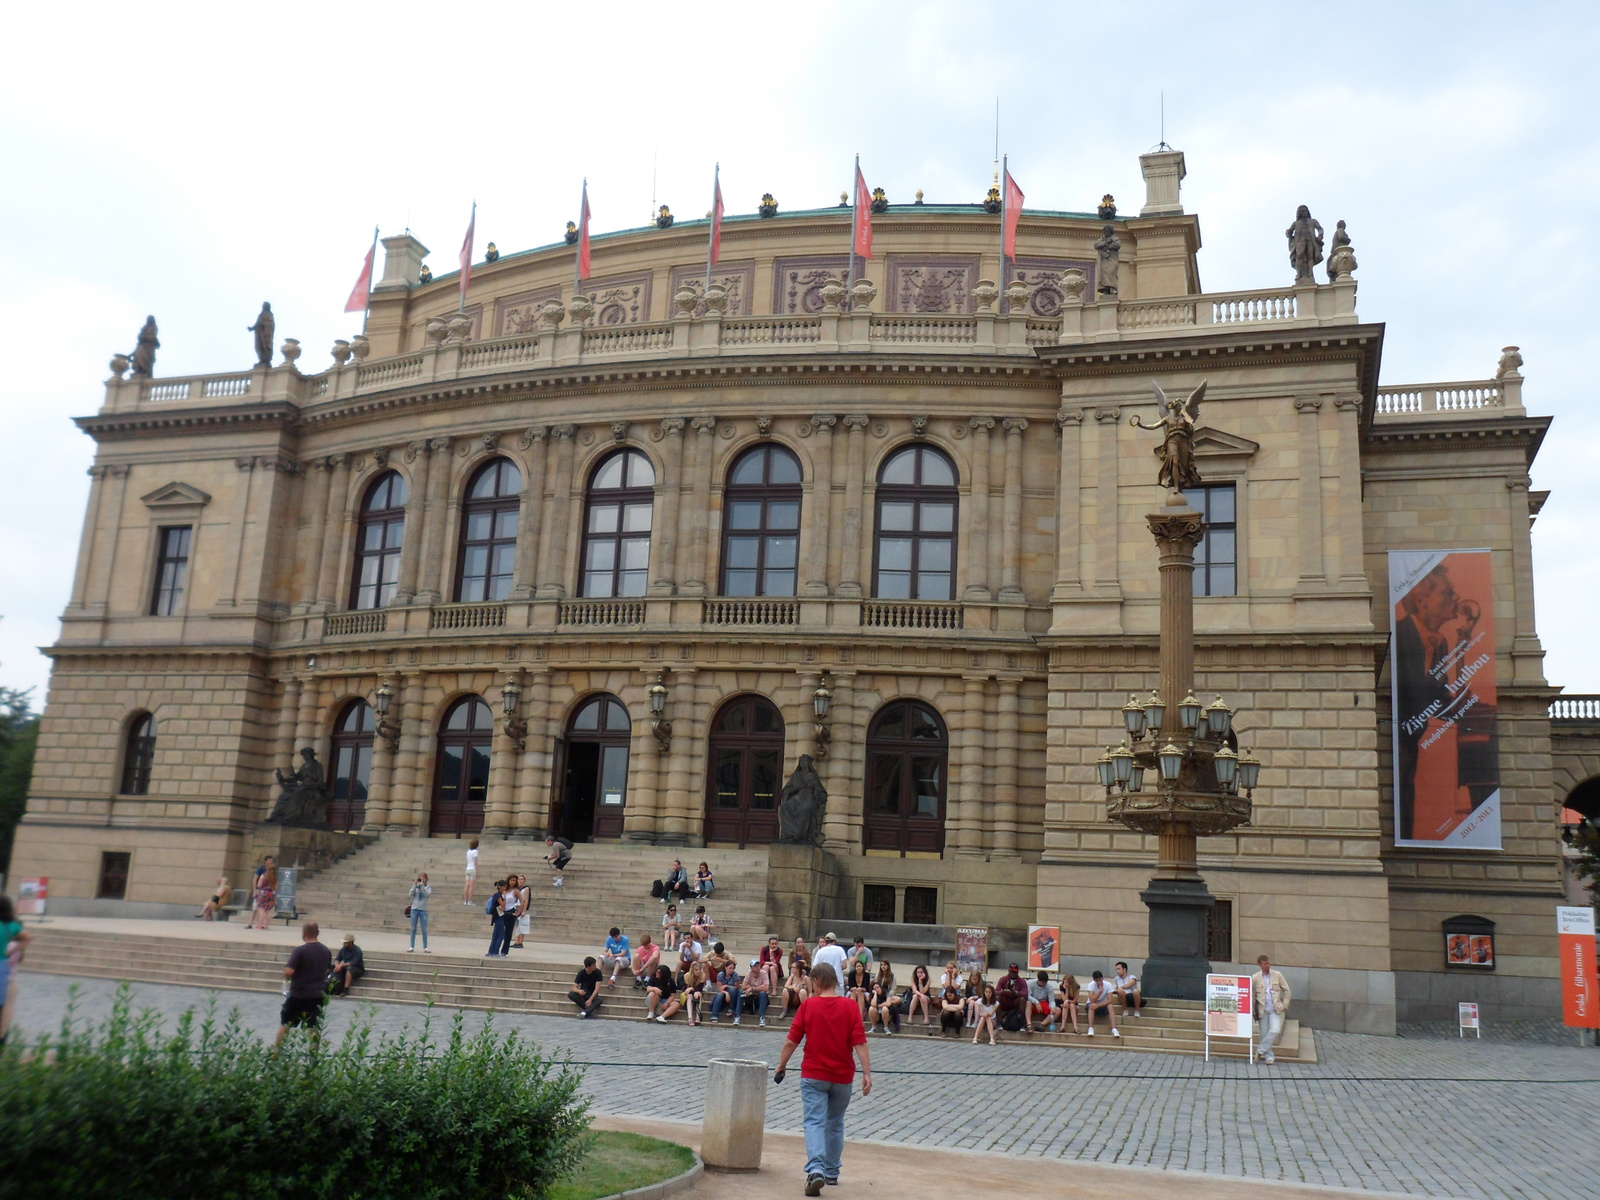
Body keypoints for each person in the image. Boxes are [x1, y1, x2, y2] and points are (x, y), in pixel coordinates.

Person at [773, 963, 872, 1196]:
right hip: (842, 1076)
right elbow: (860, 1043)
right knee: (835, 1122)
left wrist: (782, 1065)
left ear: (816, 982)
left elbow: (792, 1041)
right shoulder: (850, 1007)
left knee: (814, 1122)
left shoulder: (809, 1006)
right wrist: (867, 1073)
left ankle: (816, 1168)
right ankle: (832, 1172)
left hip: (814, 1075)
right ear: (835, 982)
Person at [275, 922, 332, 1049]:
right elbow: (327, 970)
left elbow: (289, 972)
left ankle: (275, 1054)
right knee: (312, 1028)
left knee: (285, 1024)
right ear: (317, 933)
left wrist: (286, 979)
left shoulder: (299, 951)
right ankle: (313, 1055)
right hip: (317, 995)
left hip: (298, 995)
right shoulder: (326, 951)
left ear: (304, 933)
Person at [0, 895, 33, 1045]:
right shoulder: (10, 927)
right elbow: (28, 938)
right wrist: (11, 952)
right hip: (5, 972)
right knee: (4, 1010)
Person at [1253, 954, 1292, 1065]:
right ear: (1260, 965)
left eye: (1268, 963)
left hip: (1275, 1009)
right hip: (1262, 1010)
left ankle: (1260, 1050)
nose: (1267, 966)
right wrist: (1253, 1011)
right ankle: (1269, 1057)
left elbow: (1287, 990)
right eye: (1265, 964)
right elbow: (1252, 995)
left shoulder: (1277, 975)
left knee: (1275, 1030)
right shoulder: (1255, 978)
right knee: (1264, 1034)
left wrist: (1285, 1005)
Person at [867, 961, 901, 1034]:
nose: (883, 966)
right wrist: (876, 993)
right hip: (879, 995)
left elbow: (893, 989)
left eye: (885, 965)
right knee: (871, 1007)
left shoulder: (892, 976)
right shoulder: (878, 976)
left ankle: (886, 1027)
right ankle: (873, 1027)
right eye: (881, 965)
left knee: (897, 1000)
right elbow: (876, 985)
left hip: (888, 995)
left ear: (888, 966)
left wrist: (887, 996)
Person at [737, 956, 772, 1026]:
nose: (758, 967)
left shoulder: (764, 973)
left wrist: (752, 988)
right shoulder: (749, 973)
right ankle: (737, 1016)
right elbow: (744, 986)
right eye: (755, 966)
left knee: (763, 993)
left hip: (760, 997)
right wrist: (757, 988)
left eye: (758, 965)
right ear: (752, 968)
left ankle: (762, 1017)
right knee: (741, 992)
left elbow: (766, 987)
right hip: (751, 996)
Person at [1084, 970, 1120, 1037]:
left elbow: (1110, 1000)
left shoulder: (1108, 985)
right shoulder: (1091, 985)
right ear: (1094, 980)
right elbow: (1092, 999)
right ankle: (1090, 1028)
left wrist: (1099, 1005)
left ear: (1102, 978)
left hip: (1102, 1005)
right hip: (1092, 1006)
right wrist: (1100, 992)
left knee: (1110, 1006)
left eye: (1100, 980)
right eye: (1097, 981)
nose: (1099, 982)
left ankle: (1114, 1029)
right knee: (1092, 1005)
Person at [995, 963, 1029, 1033]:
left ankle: (1021, 1022)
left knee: (1022, 999)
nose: (1013, 973)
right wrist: (1003, 992)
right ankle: (998, 1022)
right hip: (1005, 1001)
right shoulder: (1003, 979)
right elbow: (996, 991)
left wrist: (1015, 993)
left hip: (1015, 1002)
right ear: (1008, 971)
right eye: (1011, 971)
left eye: (1014, 972)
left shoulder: (1022, 981)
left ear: (1017, 972)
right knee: (997, 998)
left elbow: (1025, 994)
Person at [710, 957, 743, 1023]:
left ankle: (732, 1008)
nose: (731, 970)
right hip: (724, 993)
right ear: (725, 968)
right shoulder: (720, 975)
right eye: (730, 968)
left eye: (733, 969)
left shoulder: (735, 975)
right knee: (719, 995)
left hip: (733, 995)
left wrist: (727, 986)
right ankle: (714, 1015)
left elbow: (736, 987)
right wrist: (726, 993)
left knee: (732, 989)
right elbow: (720, 988)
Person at [904, 964, 934, 1031]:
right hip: (917, 996)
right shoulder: (913, 979)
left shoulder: (928, 980)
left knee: (920, 997)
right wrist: (920, 995)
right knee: (915, 996)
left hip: (926, 997)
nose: (919, 974)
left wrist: (920, 981)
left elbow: (924, 991)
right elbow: (914, 990)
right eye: (918, 972)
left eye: (921, 972)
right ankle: (910, 1017)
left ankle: (926, 1018)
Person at [778, 954, 810, 1020]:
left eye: (793, 967)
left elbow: (810, 992)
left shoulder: (806, 978)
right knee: (785, 990)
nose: (791, 969)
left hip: (801, 999)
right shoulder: (792, 977)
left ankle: (804, 1011)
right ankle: (785, 1009)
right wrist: (793, 987)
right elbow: (786, 985)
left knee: (802, 991)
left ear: (798, 969)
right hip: (792, 998)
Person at [249, 857, 277, 930]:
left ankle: (260, 925)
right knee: (269, 910)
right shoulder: (275, 877)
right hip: (271, 894)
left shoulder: (263, 876)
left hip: (263, 893)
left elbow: (259, 885)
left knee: (262, 910)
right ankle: (267, 926)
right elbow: (276, 887)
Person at [408, 872, 432, 952]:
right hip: (414, 909)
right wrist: (415, 885)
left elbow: (427, 894)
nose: (421, 879)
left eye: (423, 878)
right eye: (420, 878)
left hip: (423, 910)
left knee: (424, 929)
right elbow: (410, 894)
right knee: (413, 928)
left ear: (426, 879)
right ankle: (411, 946)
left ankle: (425, 947)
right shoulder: (416, 887)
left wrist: (422, 886)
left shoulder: (428, 887)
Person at [486, 879, 510, 957]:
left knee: (496, 934)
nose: (505, 888)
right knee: (500, 935)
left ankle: (491, 952)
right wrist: (505, 897)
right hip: (498, 916)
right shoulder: (498, 895)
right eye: (504, 886)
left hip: (497, 916)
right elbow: (503, 905)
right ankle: (495, 952)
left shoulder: (497, 895)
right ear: (500, 887)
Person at [682, 959, 709, 1025]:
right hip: (687, 994)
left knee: (698, 994)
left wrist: (692, 989)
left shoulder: (703, 975)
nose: (698, 971)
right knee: (690, 996)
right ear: (692, 970)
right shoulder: (687, 976)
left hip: (697, 992)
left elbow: (700, 988)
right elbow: (686, 990)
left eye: (699, 969)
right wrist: (691, 989)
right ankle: (690, 1018)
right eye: (696, 970)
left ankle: (697, 1017)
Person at [512, 874, 532, 948]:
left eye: (522, 879)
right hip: (516, 906)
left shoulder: (526, 889)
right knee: (517, 925)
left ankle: (520, 942)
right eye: (519, 879)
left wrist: (524, 910)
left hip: (521, 906)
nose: (520, 881)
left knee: (521, 925)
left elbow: (526, 900)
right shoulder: (517, 888)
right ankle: (517, 941)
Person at [463, 838, 481, 905]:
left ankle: (465, 901)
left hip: (468, 868)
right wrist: (478, 871)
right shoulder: (475, 852)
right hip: (473, 869)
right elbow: (475, 862)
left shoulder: (468, 852)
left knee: (467, 885)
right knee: (471, 886)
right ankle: (470, 901)